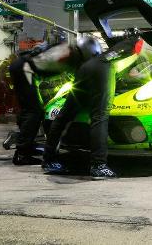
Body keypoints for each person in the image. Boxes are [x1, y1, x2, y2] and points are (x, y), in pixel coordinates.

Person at [42, 36, 143, 179]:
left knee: (64, 116)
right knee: (100, 117)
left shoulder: (90, 60)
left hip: (84, 70)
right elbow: (137, 46)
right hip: (102, 68)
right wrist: (135, 38)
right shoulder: (119, 50)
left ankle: (48, 159)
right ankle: (98, 165)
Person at [7, 31, 100, 165]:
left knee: (30, 109)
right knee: (34, 111)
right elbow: (79, 79)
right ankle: (22, 153)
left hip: (23, 67)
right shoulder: (70, 55)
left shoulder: (67, 49)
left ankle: (26, 144)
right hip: (24, 69)